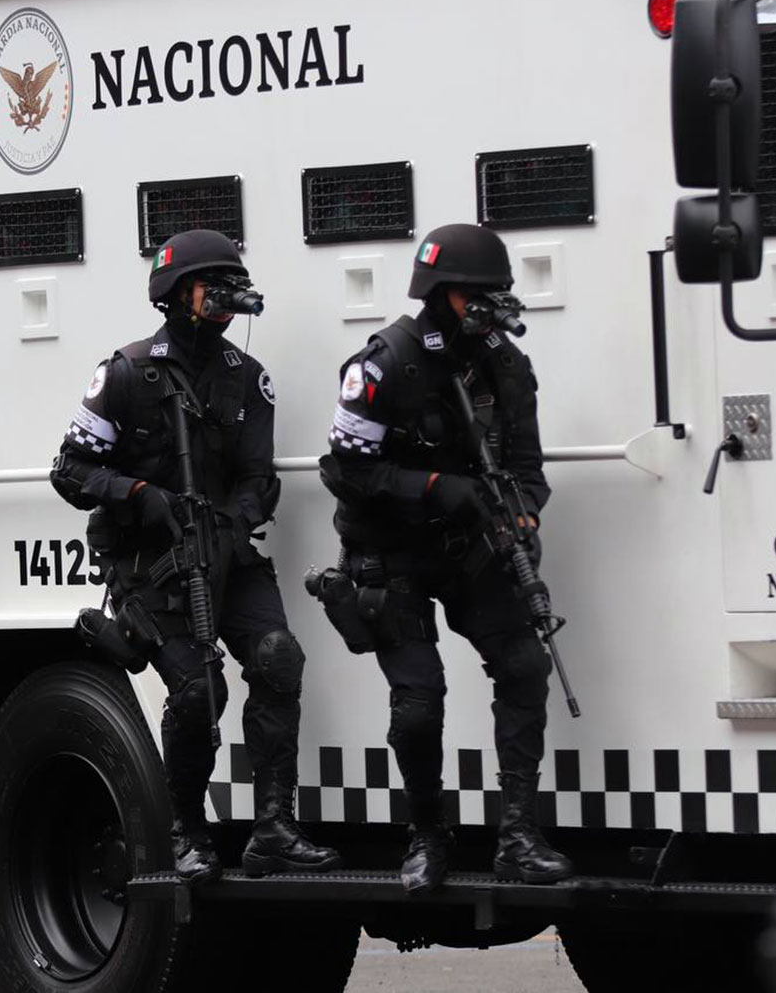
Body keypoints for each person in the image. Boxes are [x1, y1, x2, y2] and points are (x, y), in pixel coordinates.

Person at [51, 228, 341, 883]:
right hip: (147, 571)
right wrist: (140, 496)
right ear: (179, 293)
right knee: (196, 690)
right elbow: (70, 471)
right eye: (216, 288)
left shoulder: (249, 379)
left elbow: (258, 481)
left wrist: (231, 529)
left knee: (278, 658)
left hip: (228, 560)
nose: (229, 301)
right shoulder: (125, 373)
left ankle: (274, 827)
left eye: (234, 289)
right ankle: (186, 829)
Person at [316, 223, 572, 893]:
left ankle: (518, 834)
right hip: (391, 552)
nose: (488, 307)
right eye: (475, 295)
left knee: (524, 663)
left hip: (471, 550)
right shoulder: (383, 363)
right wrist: (433, 488)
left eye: (496, 293)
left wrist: (519, 515)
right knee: (419, 704)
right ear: (443, 294)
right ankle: (426, 834)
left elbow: (528, 469)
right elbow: (345, 471)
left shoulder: (506, 365)